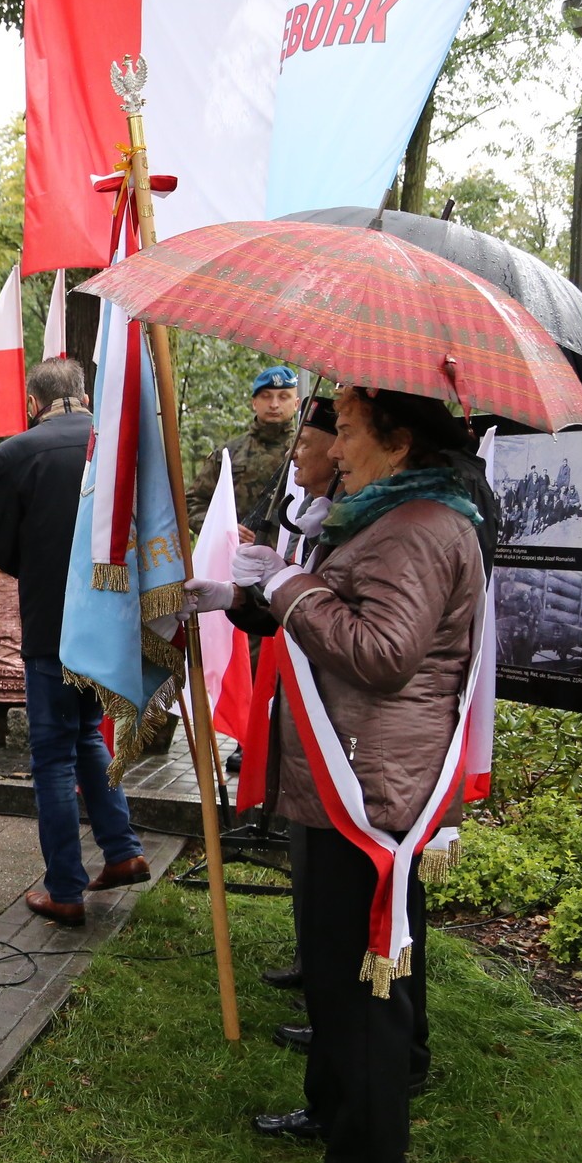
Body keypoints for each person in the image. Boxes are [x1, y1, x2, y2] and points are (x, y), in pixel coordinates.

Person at [182, 386, 492, 1163]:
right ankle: (333, 1112)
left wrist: (288, 583)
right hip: (341, 776)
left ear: (398, 440)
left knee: (364, 990)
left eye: (348, 431)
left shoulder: (420, 528)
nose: (334, 448)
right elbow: (337, 614)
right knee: (329, 971)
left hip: (370, 786)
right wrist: (244, 598)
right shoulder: (386, 517)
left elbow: (381, 653)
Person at [0, 357, 149, 927]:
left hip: (52, 624)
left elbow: (0, 547)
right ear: (84, 395)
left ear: (33, 402)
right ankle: (122, 851)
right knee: (86, 735)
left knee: (53, 754)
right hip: (110, 622)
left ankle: (65, 889)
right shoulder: (117, 444)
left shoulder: (16, 453)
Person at [226, 393, 339, 994]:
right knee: (309, 851)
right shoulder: (316, 512)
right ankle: (316, 962)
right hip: (303, 700)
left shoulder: (358, 524)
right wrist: (236, 597)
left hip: (338, 720)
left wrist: (280, 580)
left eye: (310, 444)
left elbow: (357, 635)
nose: (296, 456)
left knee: (337, 868)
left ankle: (335, 991)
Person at [187, 365, 301, 536]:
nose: (274, 404)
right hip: (235, 550)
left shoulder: (307, 452)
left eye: (283, 397)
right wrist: (224, 529)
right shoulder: (228, 454)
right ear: (254, 403)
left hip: (292, 551)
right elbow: (193, 502)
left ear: (296, 404)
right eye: (266, 396)